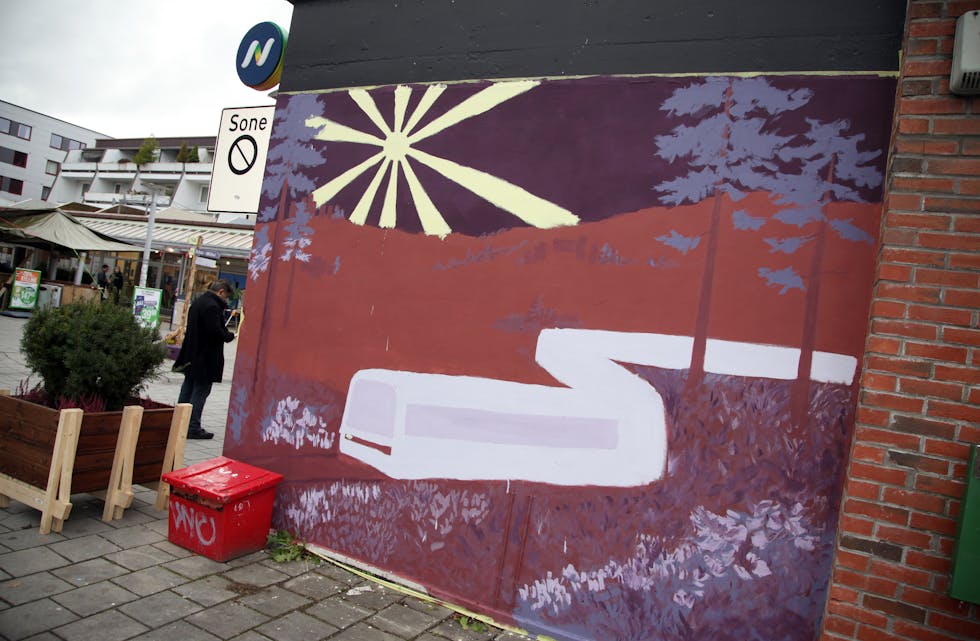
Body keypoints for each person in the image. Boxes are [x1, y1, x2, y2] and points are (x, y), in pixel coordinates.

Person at [172, 280, 236, 439]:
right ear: (221, 292)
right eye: (226, 297)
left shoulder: (199, 302)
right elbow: (215, 331)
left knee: (187, 389)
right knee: (200, 392)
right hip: (205, 358)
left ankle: (179, 422)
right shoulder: (212, 307)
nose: (225, 301)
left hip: (192, 354)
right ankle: (192, 427)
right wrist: (229, 336)